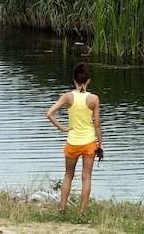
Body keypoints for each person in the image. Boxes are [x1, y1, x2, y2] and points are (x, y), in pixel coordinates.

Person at [46, 62, 103, 216]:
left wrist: (62, 128)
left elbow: (49, 113)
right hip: (89, 143)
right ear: (88, 81)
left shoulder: (68, 97)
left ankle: (62, 209)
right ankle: (82, 212)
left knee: (68, 175)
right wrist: (100, 144)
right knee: (86, 177)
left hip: (72, 142)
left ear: (74, 80)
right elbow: (97, 124)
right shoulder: (94, 99)